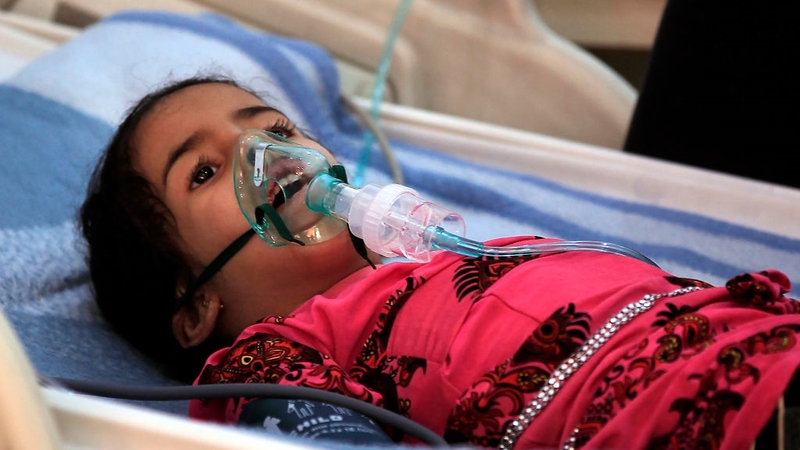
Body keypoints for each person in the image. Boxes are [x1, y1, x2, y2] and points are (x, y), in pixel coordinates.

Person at [80, 75, 800, 449]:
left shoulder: (470, 258)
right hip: (707, 415)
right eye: (203, 172)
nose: (265, 159)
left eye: (273, 128)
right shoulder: (279, 352)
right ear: (194, 301)